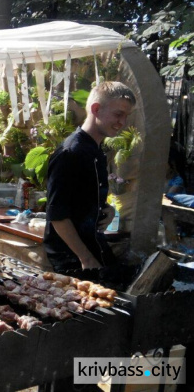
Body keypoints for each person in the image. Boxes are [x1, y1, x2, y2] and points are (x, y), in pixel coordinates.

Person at [44, 81, 136, 271]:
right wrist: (85, 258)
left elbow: (82, 198)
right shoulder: (70, 152)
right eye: (118, 114)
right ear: (96, 109)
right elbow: (57, 215)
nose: (123, 122)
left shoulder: (96, 151)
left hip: (95, 246)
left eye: (126, 116)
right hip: (72, 260)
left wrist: (107, 209)